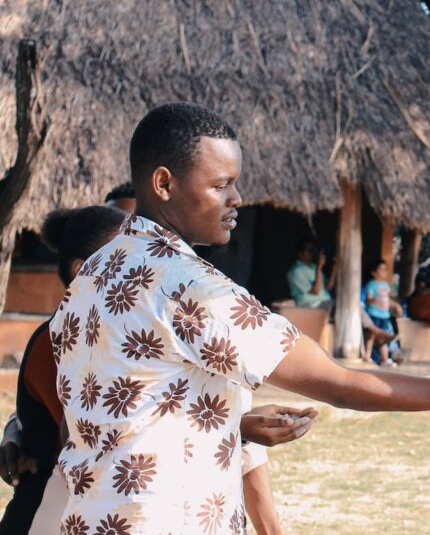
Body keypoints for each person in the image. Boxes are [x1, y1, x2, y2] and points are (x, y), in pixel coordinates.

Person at [49, 102, 430, 533]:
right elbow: (344, 384)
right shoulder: (187, 285)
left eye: (236, 182)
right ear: (164, 184)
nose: (238, 198)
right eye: (220, 185)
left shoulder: (96, 273)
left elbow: (132, 410)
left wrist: (228, 422)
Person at [0, 206, 316, 534]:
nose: (142, 261)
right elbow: (102, 439)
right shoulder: (66, 340)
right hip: (49, 517)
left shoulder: (136, 332)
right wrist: (238, 428)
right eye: (121, 254)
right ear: (83, 269)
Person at [363, 259, 401, 366]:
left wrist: (396, 306)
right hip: (374, 315)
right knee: (371, 335)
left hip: (384, 315)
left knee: (382, 338)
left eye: (385, 269)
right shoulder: (371, 285)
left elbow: (388, 299)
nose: (384, 272)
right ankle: (367, 356)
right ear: (374, 273)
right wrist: (375, 300)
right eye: (381, 269)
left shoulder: (385, 285)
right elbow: (368, 300)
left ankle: (385, 359)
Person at [287, 238, 335, 309]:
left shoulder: (313, 267)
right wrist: (319, 268)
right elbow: (316, 291)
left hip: (326, 301)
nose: (314, 253)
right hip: (313, 305)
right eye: (310, 250)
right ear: (300, 253)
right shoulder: (296, 271)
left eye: (315, 250)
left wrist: (335, 267)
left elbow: (328, 287)